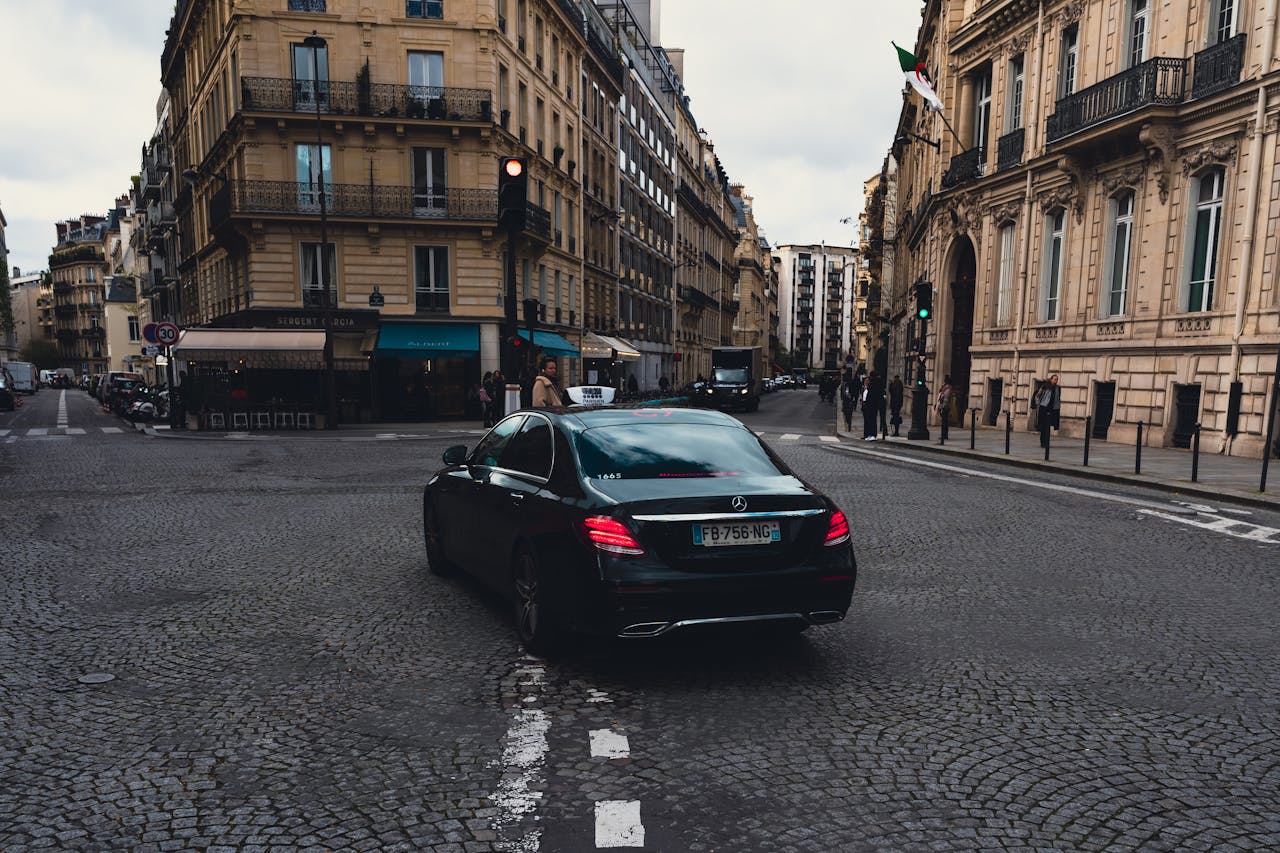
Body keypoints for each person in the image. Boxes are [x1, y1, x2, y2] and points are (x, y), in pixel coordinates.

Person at [1033, 373, 1062, 448]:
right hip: (1044, 408)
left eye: (1057, 379)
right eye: (1055, 379)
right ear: (1051, 379)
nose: (1056, 381)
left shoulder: (1057, 388)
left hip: (1053, 409)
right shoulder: (1045, 386)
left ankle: (1047, 442)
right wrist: (1038, 403)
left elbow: (1058, 398)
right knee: (1043, 426)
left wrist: (1058, 407)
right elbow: (1038, 395)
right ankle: (1043, 442)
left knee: (1048, 426)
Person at [863, 370, 885, 440]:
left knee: (872, 419)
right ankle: (870, 434)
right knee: (871, 419)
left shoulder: (875, 382)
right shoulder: (877, 382)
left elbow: (872, 393)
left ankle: (872, 434)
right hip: (873, 403)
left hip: (872, 403)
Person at [935, 375, 955, 441]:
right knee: (944, 422)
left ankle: (944, 435)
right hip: (944, 406)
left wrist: (942, 406)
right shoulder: (946, 388)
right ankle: (944, 435)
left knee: (944, 422)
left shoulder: (948, 388)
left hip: (945, 407)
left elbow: (946, 398)